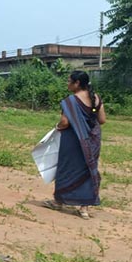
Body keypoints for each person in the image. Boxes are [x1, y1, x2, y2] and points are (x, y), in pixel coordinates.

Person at [43, 71, 106, 220]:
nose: (67, 83)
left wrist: (57, 127)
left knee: (67, 169)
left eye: (69, 81)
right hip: (92, 141)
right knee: (89, 170)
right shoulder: (96, 98)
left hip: (74, 140)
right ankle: (84, 208)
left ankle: (59, 201)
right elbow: (102, 120)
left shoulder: (71, 101)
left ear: (77, 83)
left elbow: (65, 122)